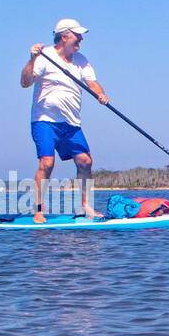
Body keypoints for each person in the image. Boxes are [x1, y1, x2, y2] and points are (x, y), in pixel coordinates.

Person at [20, 18, 109, 220]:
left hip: (71, 122)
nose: (81, 39)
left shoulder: (81, 59)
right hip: (44, 120)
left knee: (85, 161)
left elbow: (92, 82)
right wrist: (32, 59)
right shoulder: (45, 56)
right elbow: (25, 82)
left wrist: (100, 94)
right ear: (64, 37)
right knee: (47, 163)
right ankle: (39, 210)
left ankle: (85, 206)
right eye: (77, 35)